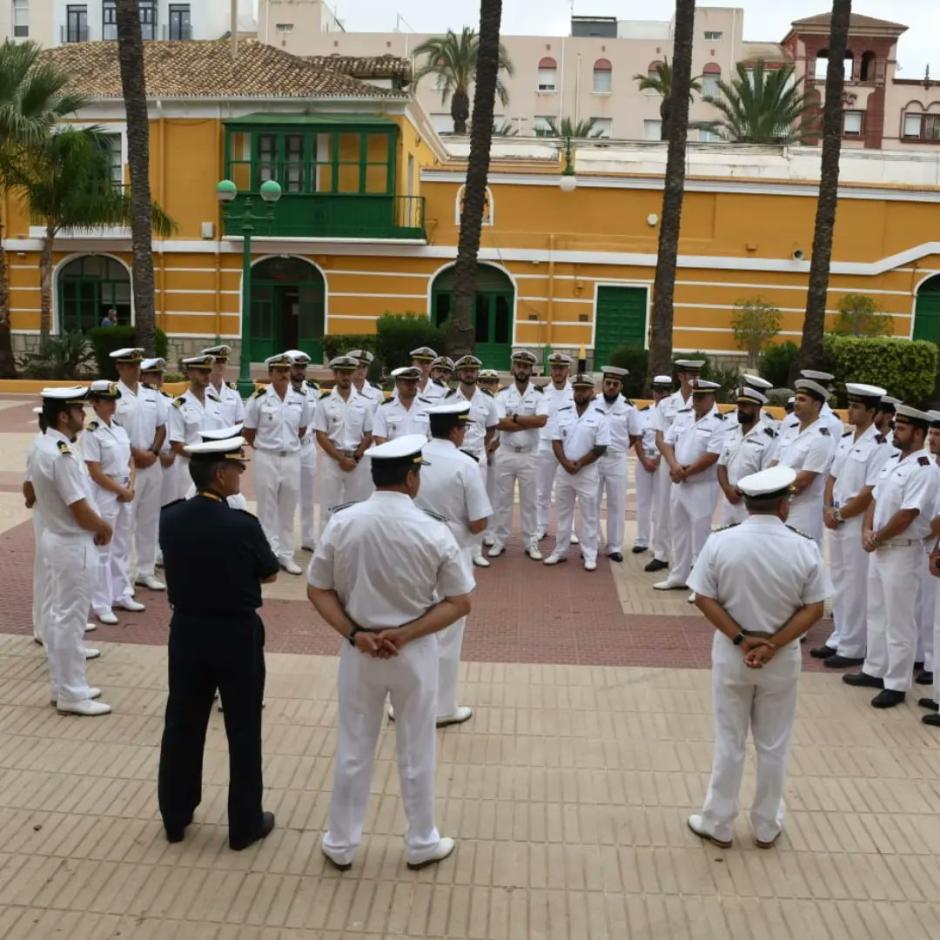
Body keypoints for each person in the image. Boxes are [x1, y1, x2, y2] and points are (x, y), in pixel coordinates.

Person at [307, 434, 474, 871]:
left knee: (353, 746)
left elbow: (317, 587)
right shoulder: (432, 528)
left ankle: (341, 843)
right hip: (414, 654)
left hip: (359, 652)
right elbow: (460, 602)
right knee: (417, 747)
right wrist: (406, 633)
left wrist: (356, 633)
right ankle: (421, 841)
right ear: (413, 477)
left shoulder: (343, 522)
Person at [686, 465, 830, 849]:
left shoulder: (721, 541)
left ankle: (717, 822)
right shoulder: (803, 545)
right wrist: (773, 644)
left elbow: (702, 596)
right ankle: (766, 825)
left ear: (748, 503)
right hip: (780, 660)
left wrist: (741, 639)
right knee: (773, 744)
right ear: (784, 504)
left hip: (733, 656)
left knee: (730, 742)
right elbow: (815, 608)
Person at [158, 436, 278, 849]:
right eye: (237, 469)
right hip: (235, 632)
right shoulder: (241, 524)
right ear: (221, 475)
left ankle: (175, 815)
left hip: (187, 631)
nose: (241, 475)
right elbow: (269, 571)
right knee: (243, 728)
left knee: (182, 723)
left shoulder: (170, 518)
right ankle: (244, 824)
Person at [844, 405, 940, 708]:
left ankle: (897, 683)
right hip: (880, 548)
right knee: (877, 613)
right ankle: (875, 668)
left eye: (901, 429)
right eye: (895, 427)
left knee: (899, 620)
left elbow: (908, 513)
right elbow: (874, 498)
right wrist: (866, 530)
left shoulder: (925, 468)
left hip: (901, 549)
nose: (895, 432)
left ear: (918, 433)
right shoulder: (892, 462)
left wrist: (878, 536)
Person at [32, 386, 113, 716]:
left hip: (57, 538)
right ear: (64, 416)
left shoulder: (44, 444)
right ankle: (72, 693)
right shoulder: (60, 454)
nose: (84, 415)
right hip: (72, 543)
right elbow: (78, 506)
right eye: (79, 411)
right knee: (70, 619)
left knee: (59, 616)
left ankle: (62, 686)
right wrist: (104, 527)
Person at [413, 402, 491, 723]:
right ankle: (442, 708)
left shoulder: (413, 457)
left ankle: (409, 704)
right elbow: (479, 522)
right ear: (457, 429)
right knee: (447, 633)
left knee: (414, 628)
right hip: (452, 554)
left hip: (413, 551)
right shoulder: (465, 464)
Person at [812, 384, 891, 667]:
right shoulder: (846, 439)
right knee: (839, 582)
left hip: (855, 520)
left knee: (856, 585)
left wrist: (841, 513)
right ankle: (840, 637)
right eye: (851, 404)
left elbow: (870, 490)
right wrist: (827, 507)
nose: (851, 410)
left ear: (872, 412)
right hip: (837, 517)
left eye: (858, 406)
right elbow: (831, 478)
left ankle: (854, 646)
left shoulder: (881, 447)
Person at [654, 379, 726, 595]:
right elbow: (667, 443)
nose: (696, 401)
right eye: (694, 396)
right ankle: (678, 576)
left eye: (701, 397)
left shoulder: (720, 422)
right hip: (679, 483)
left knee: (700, 534)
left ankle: (701, 584)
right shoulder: (683, 416)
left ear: (712, 398)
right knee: (679, 531)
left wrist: (686, 471)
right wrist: (675, 466)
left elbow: (713, 455)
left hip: (702, 485)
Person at [243, 352, 312, 575]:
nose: (284, 375)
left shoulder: (300, 398)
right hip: (267, 457)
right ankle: (268, 554)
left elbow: (301, 430)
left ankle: (286, 555)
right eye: (279, 371)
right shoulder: (259, 398)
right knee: (267, 508)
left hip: (292, 457)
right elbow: (249, 432)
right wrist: (265, 447)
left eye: (286, 370)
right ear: (270, 374)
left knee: (288, 507)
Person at [81, 380, 139, 625]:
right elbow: (94, 471)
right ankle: (102, 602)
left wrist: (130, 487)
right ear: (95, 403)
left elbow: (131, 460)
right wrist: (120, 490)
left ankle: (121, 593)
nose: (112, 405)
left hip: (124, 488)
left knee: (122, 544)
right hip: (106, 491)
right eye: (106, 401)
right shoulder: (91, 433)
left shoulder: (119, 428)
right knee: (103, 548)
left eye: (114, 400)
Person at [112, 347, 167, 592]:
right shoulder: (112, 395)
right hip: (128, 466)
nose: (136, 370)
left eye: (138, 366)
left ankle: (146, 571)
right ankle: (125, 576)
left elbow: (162, 427)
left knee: (149, 519)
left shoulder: (151, 394)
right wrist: (138, 455)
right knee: (127, 523)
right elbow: (115, 432)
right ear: (120, 368)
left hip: (151, 464)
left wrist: (153, 452)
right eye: (130, 366)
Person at [543, 373, 610, 571]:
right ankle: (560, 551)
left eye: (584, 390)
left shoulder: (599, 416)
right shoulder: (562, 413)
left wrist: (579, 464)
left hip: (587, 473)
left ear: (591, 392)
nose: (580, 393)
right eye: (577, 389)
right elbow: (555, 441)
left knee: (589, 515)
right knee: (563, 514)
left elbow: (601, 447)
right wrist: (565, 463)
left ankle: (590, 554)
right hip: (564, 472)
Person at [647, 359, 703, 574]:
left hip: (693, 465)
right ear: (680, 376)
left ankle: (689, 558)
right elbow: (659, 437)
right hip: (668, 463)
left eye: (697, 374)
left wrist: (684, 466)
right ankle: (661, 554)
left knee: (690, 510)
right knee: (663, 507)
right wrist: (672, 463)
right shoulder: (666, 404)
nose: (694, 379)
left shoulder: (704, 401)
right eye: (690, 375)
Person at [491, 349, 548, 560]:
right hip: (506, 454)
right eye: (519, 365)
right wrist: (527, 421)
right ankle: (499, 541)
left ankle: (531, 542)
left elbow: (541, 421)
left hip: (530, 455)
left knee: (530, 502)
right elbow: (499, 423)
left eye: (526, 366)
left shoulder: (539, 394)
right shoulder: (503, 394)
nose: (522, 369)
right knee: (502, 501)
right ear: (513, 367)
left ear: (531, 369)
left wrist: (513, 417)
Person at [769, 379, 837, 548]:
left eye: (802, 400)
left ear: (816, 405)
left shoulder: (822, 438)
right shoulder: (790, 431)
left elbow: (805, 479)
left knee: (800, 556)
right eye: (796, 398)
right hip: (779, 505)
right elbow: (774, 464)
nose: (797, 403)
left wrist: (771, 492)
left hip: (802, 509)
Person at [314, 355, 374, 537]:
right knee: (328, 508)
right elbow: (321, 435)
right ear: (335, 374)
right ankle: (325, 548)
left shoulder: (365, 402)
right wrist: (341, 459)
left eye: (349, 373)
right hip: (333, 460)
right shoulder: (323, 402)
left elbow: (369, 434)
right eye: (342, 373)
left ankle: (353, 545)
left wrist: (355, 457)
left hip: (358, 461)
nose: (346, 377)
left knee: (357, 507)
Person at [451, 355, 499, 567]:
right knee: (455, 503)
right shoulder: (448, 399)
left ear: (477, 373)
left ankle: (476, 549)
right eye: (465, 370)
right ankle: (456, 547)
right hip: (455, 456)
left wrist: (486, 450)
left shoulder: (488, 399)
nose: (469, 373)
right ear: (459, 373)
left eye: (473, 370)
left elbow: (491, 429)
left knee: (478, 503)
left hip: (477, 456)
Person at [593, 365, 640, 562]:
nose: (611, 387)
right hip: (594, 459)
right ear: (603, 384)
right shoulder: (592, 402)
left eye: (615, 384)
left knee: (616, 503)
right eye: (608, 383)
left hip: (616, 460)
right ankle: (591, 543)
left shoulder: (629, 408)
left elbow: (635, 434)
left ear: (621, 386)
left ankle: (614, 546)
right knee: (591, 502)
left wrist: (618, 448)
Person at [716, 387, 777, 527]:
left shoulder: (769, 438)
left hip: (751, 502)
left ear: (757, 408)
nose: (740, 409)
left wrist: (740, 491)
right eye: (738, 405)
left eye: (745, 406)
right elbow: (721, 466)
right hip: (728, 500)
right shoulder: (731, 433)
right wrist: (727, 490)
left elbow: (767, 473)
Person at [168, 355, 225, 502]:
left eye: (208, 371)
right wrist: (202, 457)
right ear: (189, 373)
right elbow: (176, 443)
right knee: (187, 510)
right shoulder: (179, 405)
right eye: (202, 371)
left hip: (214, 468)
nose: (206, 376)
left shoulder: (216, 403)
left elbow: (223, 435)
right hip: (188, 468)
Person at [535, 352, 574, 542]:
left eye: (561, 368)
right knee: (542, 490)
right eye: (555, 368)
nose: (558, 372)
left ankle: (569, 529)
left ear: (568, 370)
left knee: (567, 491)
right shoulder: (541, 392)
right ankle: (541, 526)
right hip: (545, 445)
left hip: (568, 447)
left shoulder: (575, 392)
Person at [633, 375, 672, 557]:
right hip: (644, 460)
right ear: (653, 391)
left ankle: (658, 544)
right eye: (657, 390)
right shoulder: (643, 413)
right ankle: (641, 540)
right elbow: (637, 439)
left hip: (663, 462)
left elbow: (671, 441)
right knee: (642, 502)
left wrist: (658, 458)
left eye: (665, 391)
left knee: (661, 504)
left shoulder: (674, 414)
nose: (661, 394)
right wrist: (644, 460)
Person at [285, 350, 320, 551]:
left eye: (303, 367)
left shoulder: (312, 390)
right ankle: (284, 541)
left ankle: (308, 538)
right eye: (296, 367)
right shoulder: (283, 390)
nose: (300, 371)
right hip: (289, 449)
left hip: (308, 448)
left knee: (308, 497)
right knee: (287, 496)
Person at [372, 366, 432, 442]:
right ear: (397, 383)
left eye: (415, 382)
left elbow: (432, 439)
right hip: (392, 453)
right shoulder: (384, 409)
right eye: (408, 382)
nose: (412, 386)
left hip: (421, 453)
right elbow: (380, 438)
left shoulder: (428, 408)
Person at [478, 368, 503, 549]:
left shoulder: (499, 400)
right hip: (478, 453)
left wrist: (491, 448)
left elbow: (502, 428)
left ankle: (489, 532)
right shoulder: (476, 401)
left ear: (496, 385)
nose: (487, 385)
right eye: (484, 381)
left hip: (495, 452)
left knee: (492, 494)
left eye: (491, 382)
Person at [202, 345, 245, 427]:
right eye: (217, 361)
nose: (221, 365)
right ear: (208, 363)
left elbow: (240, 422)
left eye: (223, 361)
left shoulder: (233, 392)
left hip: (230, 438)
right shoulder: (200, 390)